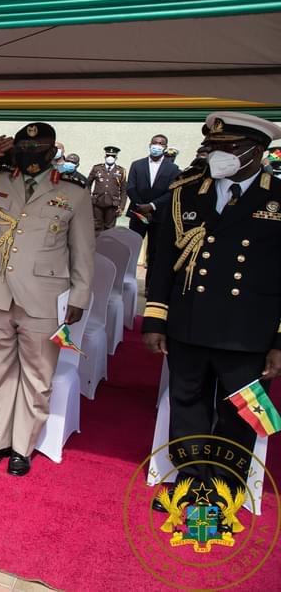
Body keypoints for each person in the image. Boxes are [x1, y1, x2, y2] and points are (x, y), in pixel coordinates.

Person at [143, 111, 281, 504]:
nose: (218, 155)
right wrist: (155, 318)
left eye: (230, 147)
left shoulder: (277, 197)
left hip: (249, 332)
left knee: (238, 414)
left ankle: (223, 490)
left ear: (257, 151)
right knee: (187, 406)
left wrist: (279, 342)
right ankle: (189, 481)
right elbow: (163, 261)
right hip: (190, 322)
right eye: (213, 147)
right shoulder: (186, 192)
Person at [0, 123, 94, 476]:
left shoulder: (73, 193)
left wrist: (79, 296)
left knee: (37, 374)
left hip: (44, 297)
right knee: (0, 369)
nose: (30, 155)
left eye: (38, 148)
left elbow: (83, 250)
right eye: (24, 148)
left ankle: (22, 447)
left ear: (52, 151)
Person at [126, 134, 180, 284]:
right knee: (131, 249)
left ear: (165, 147)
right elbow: (130, 187)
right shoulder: (137, 165)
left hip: (159, 215)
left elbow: (171, 191)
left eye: (161, 144)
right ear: (150, 145)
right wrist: (141, 206)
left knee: (155, 252)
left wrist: (152, 206)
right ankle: (126, 282)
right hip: (138, 213)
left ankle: (150, 285)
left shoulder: (173, 169)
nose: (157, 146)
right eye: (155, 143)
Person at [87, 146, 127, 233]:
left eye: (113, 156)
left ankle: (107, 242)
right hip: (97, 202)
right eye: (108, 155)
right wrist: (89, 198)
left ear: (116, 158)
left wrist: (122, 206)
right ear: (105, 157)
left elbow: (124, 190)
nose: (110, 158)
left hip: (112, 204)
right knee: (96, 226)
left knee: (110, 228)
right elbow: (88, 184)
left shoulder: (121, 171)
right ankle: (96, 241)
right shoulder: (97, 168)